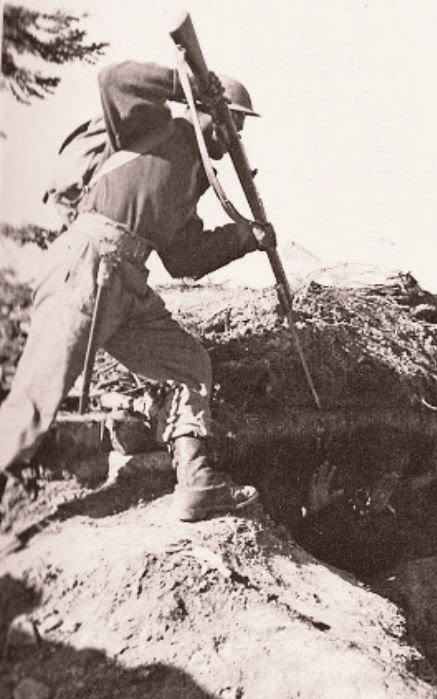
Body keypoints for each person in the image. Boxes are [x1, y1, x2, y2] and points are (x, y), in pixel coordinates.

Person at [0, 60, 274, 521]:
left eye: (240, 129)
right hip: (85, 265)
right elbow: (114, 79)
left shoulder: (195, 176)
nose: (235, 137)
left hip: (128, 281)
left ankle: (197, 483)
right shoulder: (152, 125)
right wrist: (187, 85)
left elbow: (184, 259)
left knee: (188, 366)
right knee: (35, 401)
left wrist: (246, 237)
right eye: (233, 122)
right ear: (207, 111)